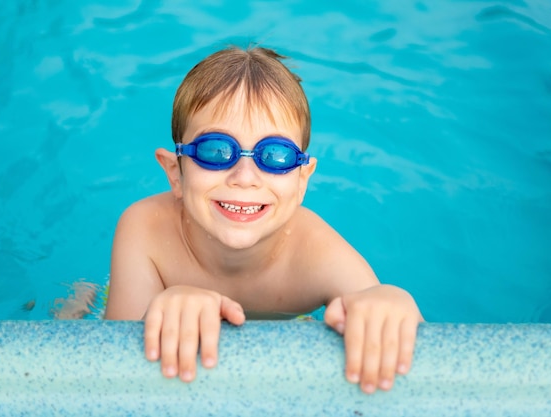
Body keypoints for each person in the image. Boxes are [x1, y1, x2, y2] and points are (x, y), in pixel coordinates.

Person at [104, 45, 423, 394]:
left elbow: (404, 358)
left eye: (275, 155)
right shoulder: (146, 231)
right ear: (175, 173)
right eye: (215, 151)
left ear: (302, 180)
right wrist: (165, 307)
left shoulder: (315, 253)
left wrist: (389, 304)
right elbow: (112, 381)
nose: (245, 176)